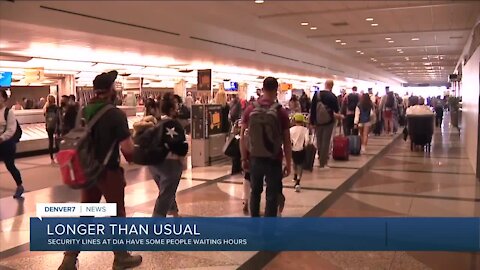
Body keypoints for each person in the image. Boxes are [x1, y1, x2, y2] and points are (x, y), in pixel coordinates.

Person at [58, 71, 142, 270]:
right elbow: (127, 149)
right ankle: (121, 257)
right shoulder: (115, 114)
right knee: (117, 214)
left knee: (85, 215)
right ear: (111, 90)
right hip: (108, 172)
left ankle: (69, 259)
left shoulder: (82, 111)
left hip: (86, 170)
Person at [240, 77, 292, 217]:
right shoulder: (281, 112)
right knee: (272, 195)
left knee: (255, 192)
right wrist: (288, 162)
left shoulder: (250, 109)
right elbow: (287, 140)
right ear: (276, 91)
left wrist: (244, 158)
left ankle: (254, 226)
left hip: (255, 157)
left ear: (262, 89)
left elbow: (242, 136)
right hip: (274, 158)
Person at [148, 92, 188, 218]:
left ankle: (174, 213)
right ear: (171, 109)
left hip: (154, 164)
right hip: (170, 164)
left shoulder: (157, 124)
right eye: (176, 106)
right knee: (165, 195)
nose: (178, 109)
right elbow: (181, 148)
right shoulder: (175, 125)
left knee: (167, 191)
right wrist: (183, 162)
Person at [310, 79, 342, 169]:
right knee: (326, 141)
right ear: (332, 86)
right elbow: (336, 110)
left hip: (317, 121)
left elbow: (312, 109)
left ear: (325, 85)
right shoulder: (332, 96)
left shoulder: (317, 94)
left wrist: (312, 122)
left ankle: (320, 157)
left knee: (319, 140)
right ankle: (323, 163)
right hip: (329, 122)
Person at [0, 90, 24, 199]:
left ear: (4, 99)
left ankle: (19, 186)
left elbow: (11, 129)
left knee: (10, 165)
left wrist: (2, 138)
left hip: (7, 144)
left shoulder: (8, 112)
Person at [290, 113, 309, 192]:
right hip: (301, 149)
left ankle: (294, 175)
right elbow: (307, 140)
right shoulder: (305, 130)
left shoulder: (291, 130)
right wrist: (305, 145)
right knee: (300, 164)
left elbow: (289, 139)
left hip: (293, 149)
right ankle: (298, 181)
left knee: (294, 162)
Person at [44, 95, 60, 164]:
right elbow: (58, 117)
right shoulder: (56, 107)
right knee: (57, 142)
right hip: (55, 126)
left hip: (49, 126)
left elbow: (45, 117)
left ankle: (52, 158)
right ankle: (58, 157)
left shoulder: (47, 108)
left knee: (50, 142)